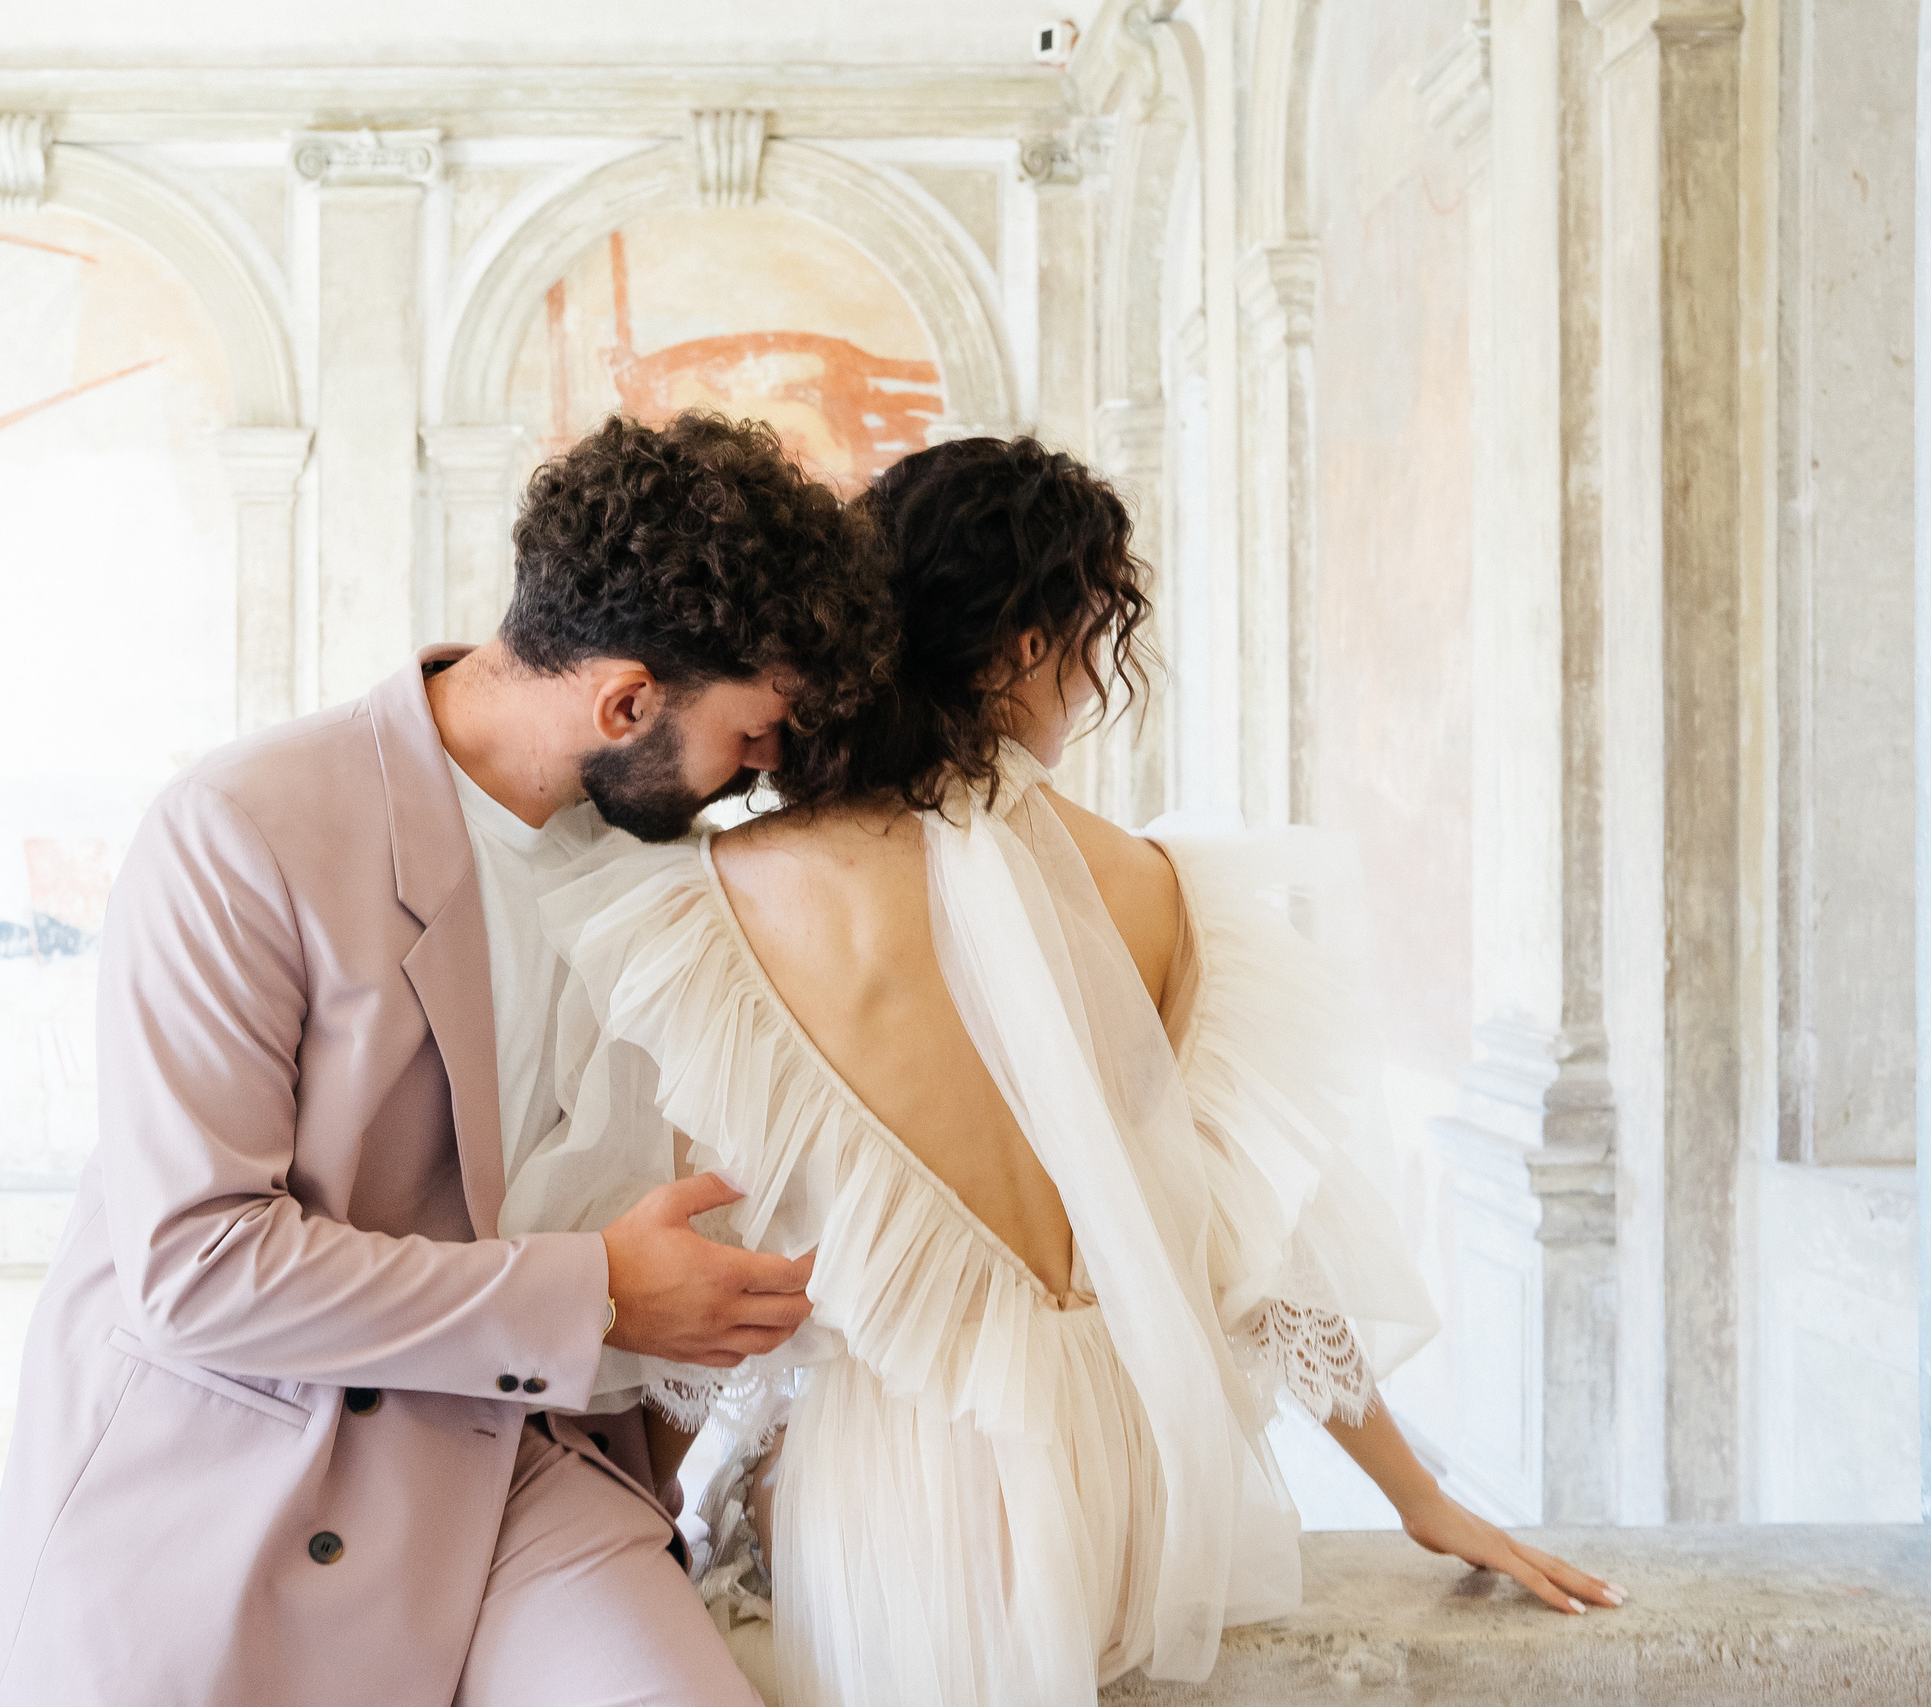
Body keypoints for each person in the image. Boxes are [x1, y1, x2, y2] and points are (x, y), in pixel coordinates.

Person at [501, 437, 1624, 1707]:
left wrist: (655, 1527)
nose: (1089, 688)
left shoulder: (720, 905)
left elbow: (689, 1315)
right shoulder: (1161, 892)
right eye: (1090, 638)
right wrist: (1419, 1498)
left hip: (900, 1504)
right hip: (1127, 1490)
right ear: (1026, 647)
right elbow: (1259, 1242)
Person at [0, 412, 893, 1707]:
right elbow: (194, 1265)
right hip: (250, 1464)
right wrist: (599, 1296)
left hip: (521, 1464)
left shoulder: (672, 876)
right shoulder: (241, 831)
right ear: (626, 698)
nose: (758, 773)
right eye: (750, 732)